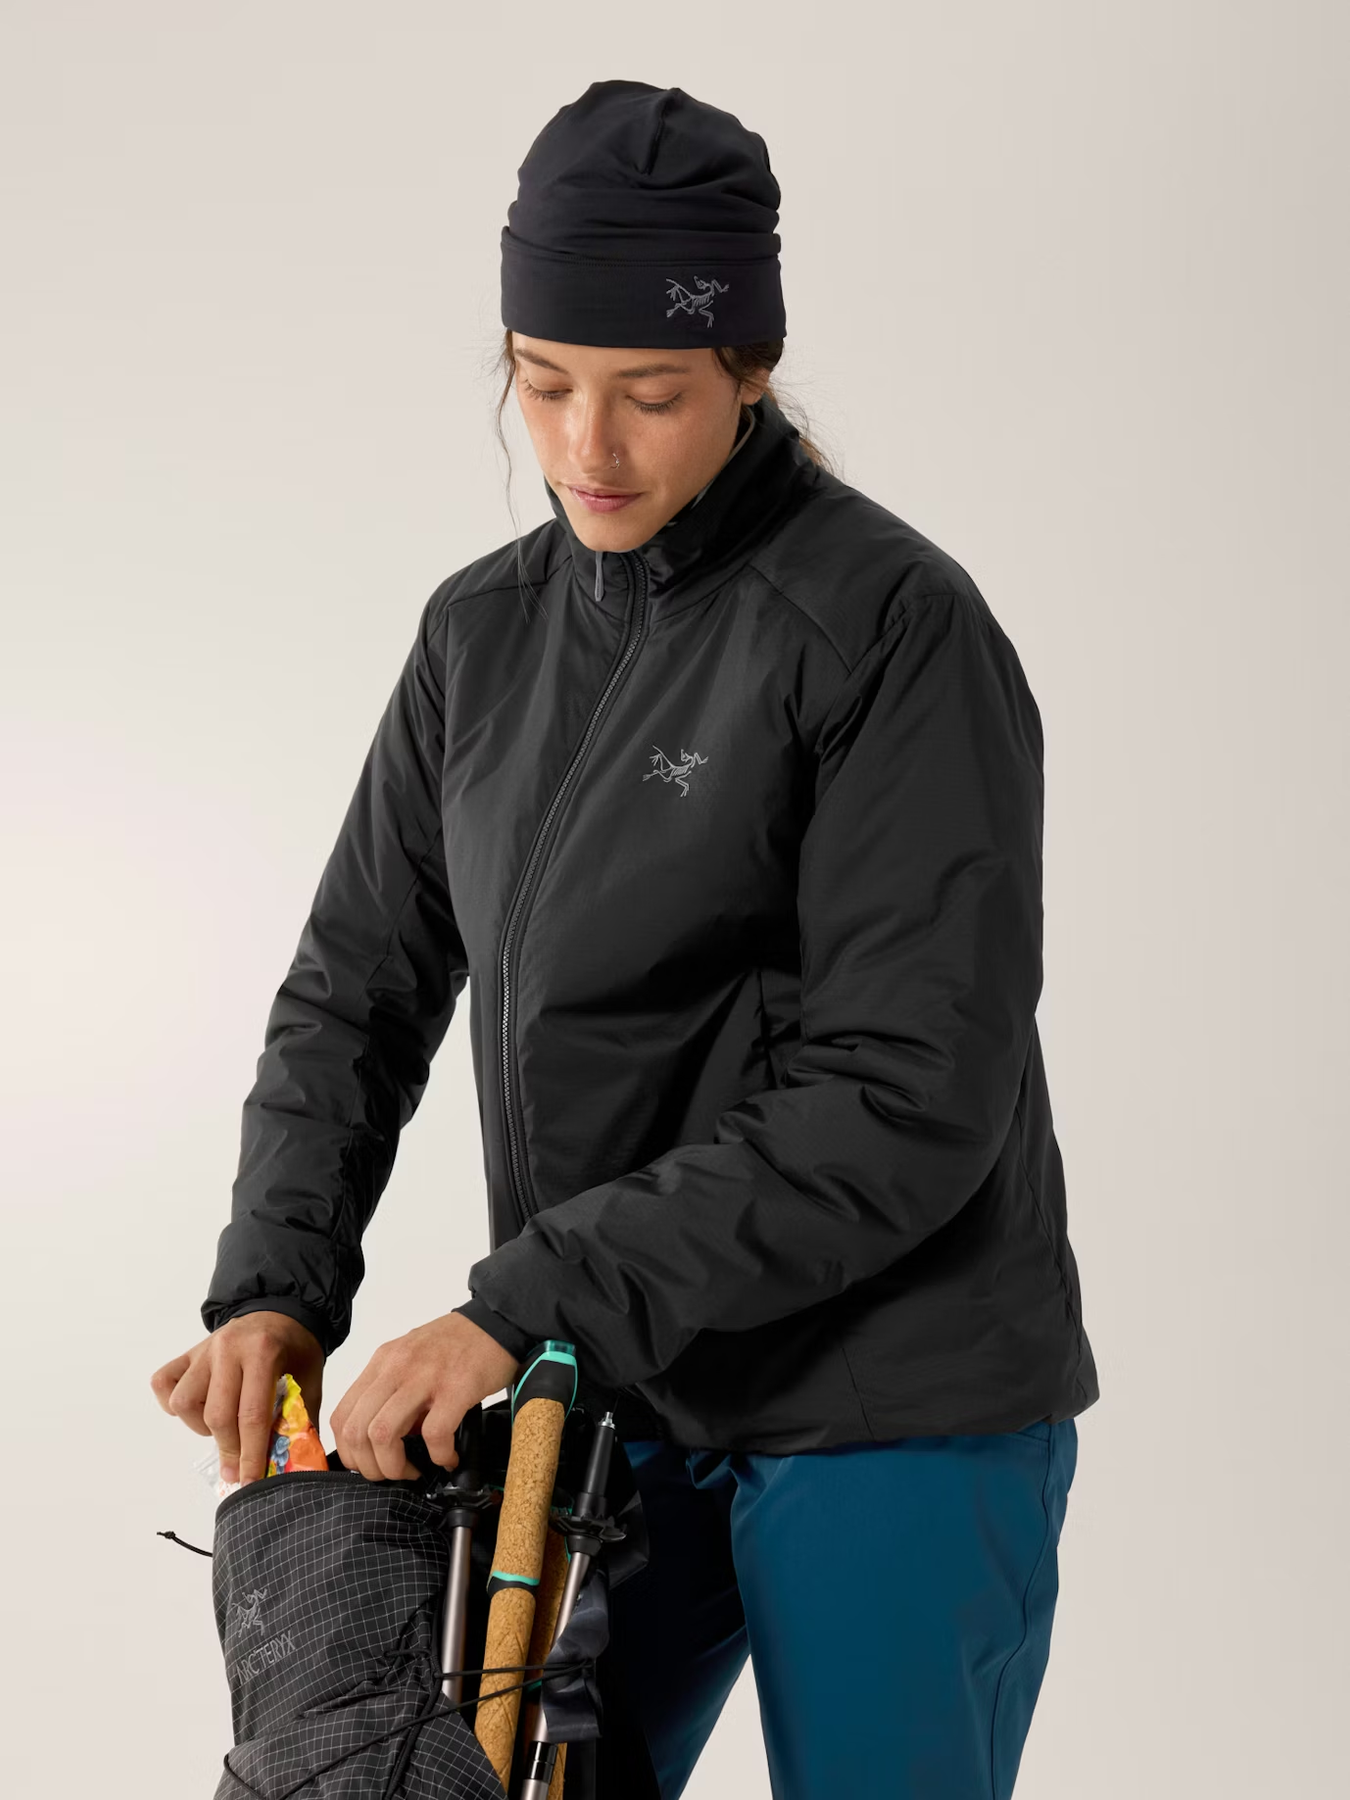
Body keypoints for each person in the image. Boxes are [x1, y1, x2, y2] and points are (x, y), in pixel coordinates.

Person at [151, 80, 1098, 1798]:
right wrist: (277, 1283)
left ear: (748, 367)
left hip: (890, 1404)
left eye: (650, 394)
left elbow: (906, 1093)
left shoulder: (891, 630)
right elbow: (357, 989)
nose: (586, 445)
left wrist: (518, 1305)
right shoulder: (480, 635)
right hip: (611, 1399)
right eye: (542, 382)